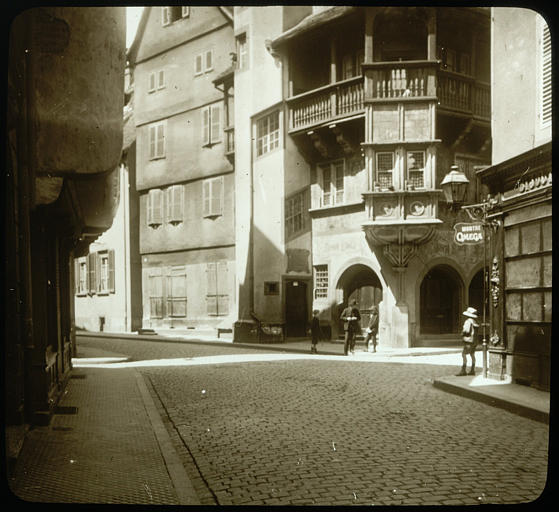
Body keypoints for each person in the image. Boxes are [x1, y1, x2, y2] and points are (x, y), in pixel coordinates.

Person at [456, 306, 479, 376]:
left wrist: (462, 333)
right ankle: (472, 369)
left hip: (468, 341)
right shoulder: (475, 321)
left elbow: (466, 330)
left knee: (463, 354)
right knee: (472, 354)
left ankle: (463, 370)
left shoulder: (468, 321)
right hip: (474, 341)